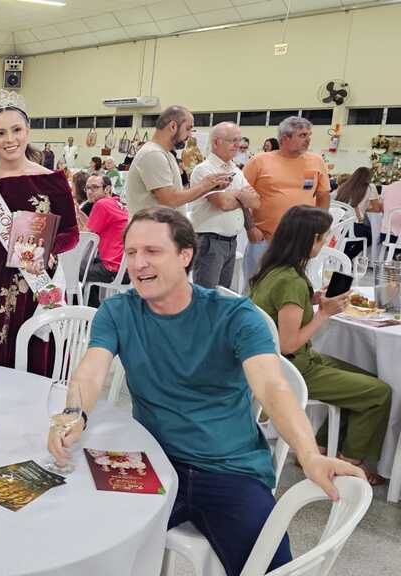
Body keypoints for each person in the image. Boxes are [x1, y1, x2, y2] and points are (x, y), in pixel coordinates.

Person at [48, 207, 365, 576]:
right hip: (152, 462)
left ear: (185, 255)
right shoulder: (118, 311)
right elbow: (91, 371)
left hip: (230, 470)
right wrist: (74, 413)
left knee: (269, 566)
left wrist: (309, 454)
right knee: (82, 544)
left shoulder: (235, 315)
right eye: (131, 252)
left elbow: (272, 386)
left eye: (152, 251)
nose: (137, 263)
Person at [250, 205, 391, 485]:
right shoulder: (290, 281)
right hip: (293, 367)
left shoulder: (273, 270)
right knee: (379, 393)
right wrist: (324, 314)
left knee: (367, 380)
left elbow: (283, 312)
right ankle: (350, 460)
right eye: (324, 238)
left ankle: (323, 447)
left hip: (279, 363)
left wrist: (312, 300)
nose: (326, 243)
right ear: (311, 239)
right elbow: (289, 343)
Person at [0, 90, 78, 370]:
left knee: (30, 353)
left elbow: (71, 233)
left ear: (28, 131)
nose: (9, 139)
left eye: (16, 130)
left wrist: (48, 248)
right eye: (0, 133)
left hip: (34, 279)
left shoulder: (52, 180)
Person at [242, 116, 331, 282]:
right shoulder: (259, 161)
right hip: (264, 239)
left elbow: (323, 196)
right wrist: (251, 228)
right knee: (255, 287)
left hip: (300, 241)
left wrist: (319, 229)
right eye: (302, 135)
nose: (308, 140)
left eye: (309, 135)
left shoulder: (316, 161)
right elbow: (241, 196)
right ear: (285, 138)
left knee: (292, 287)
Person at [188, 122, 261, 289]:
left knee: (222, 295)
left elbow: (256, 201)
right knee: (206, 295)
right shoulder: (204, 170)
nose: (238, 145)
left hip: (230, 243)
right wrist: (242, 196)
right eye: (233, 140)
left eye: (239, 140)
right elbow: (223, 203)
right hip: (210, 242)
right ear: (216, 142)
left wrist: (234, 195)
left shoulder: (236, 170)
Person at [125, 106, 230, 216]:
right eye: (188, 129)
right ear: (173, 126)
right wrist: (204, 185)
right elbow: (170, 200)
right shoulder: (152, 154)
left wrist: (209, 187)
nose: (190, 135)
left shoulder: (166, 154)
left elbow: (177, 198)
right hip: (150, 226)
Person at [77, 175, 128, 307]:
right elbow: (91, 228)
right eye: (87, 188)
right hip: (125, 267)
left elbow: (86, 236)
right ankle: (95, 306)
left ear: (107, 189)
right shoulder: (116, 202)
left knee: (72, 271)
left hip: (113, 269)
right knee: (87, 266)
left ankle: (87, 311)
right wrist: (79, 214)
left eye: (95, 187)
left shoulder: (101, 204)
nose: (90, 191)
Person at [333, 166, 381, 260]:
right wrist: (365, 208)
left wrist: (362, 208)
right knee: (373, 236)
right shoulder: (370, 187)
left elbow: (350, 205)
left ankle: (341, 258)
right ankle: (347, 258)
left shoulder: (344, 187)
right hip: (354, 226)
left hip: (338, 226)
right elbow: (377, 208)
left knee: (350, 238)